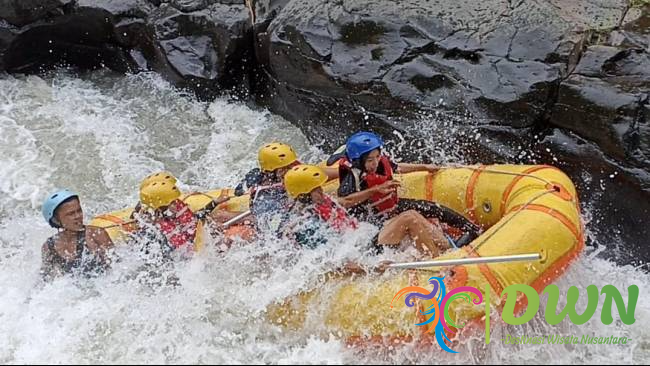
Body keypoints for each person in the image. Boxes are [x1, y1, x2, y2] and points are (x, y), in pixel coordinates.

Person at [332, 131, 480, 247]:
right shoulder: (352, 176)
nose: (375, 162)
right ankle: (445, 249)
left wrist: (424, 167)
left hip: (388, 209)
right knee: (412, 218)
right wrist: (376, 189)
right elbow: (344, 201)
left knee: (430, 207)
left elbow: (397, 167)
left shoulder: (379, 162)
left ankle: (472, 230)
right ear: (359, 161)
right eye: (370, 160)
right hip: (370, 224)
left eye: (377, 157)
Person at [282, 165, 450, 258]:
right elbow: (330, 260)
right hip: (362, 253)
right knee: (408, 218)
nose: (321, 191)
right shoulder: (305, 225)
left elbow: (347, 201)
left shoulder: (320, 201)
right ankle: (438, 261)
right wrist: (369, 268)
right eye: (316, 189)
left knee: (412, 214)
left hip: (364, 237)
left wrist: (376, 189)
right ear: (304, 195)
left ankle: (447, 250)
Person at [132, 172, 229, 254]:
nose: (176, 204)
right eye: (172, 202)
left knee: (218, 217)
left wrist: (215, 203)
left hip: (187, 241)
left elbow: (193, 220)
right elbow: (185, 249)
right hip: (179, 253)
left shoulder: (168, 209)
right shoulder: (159, 228)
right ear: (159, 207)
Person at [40, 189, 114, 281]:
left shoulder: (95, 234)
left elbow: (116, 267)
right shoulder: (49, 246)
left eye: (79, 211)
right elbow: (45, 279)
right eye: (70, 214)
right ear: (56, 220)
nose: (78, 216)